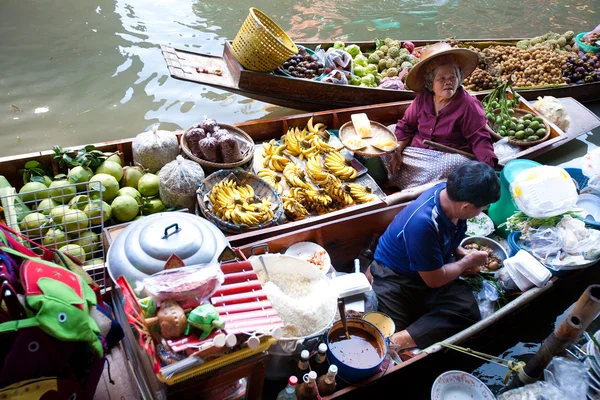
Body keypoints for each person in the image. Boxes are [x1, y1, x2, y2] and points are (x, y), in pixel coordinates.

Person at [369, 162, 500, 350]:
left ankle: (414, 330)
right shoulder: (423, 223)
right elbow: (435, 280)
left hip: (428, 270)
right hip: (394, 276)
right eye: (481, 208)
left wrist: (460, 252)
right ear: (465, 207)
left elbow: (448, 239)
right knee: (388, 325)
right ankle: (399, 340)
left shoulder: (449, 197)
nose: (481, 212)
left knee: (467, 310)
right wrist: (467, 262)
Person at [382, 42, 498, 190]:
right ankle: (398, 179)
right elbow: (406, 126)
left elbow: (480, 140)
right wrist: (397, 150)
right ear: (430, 82)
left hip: (446, 157)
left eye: (452, 77)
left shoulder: (468, 105)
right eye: (441, 79)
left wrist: (487, 172)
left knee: (443, 168)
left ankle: (410, 189)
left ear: (459, 78)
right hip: (417, 151)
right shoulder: (423, 98)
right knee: (387, 137)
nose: (448, 83)